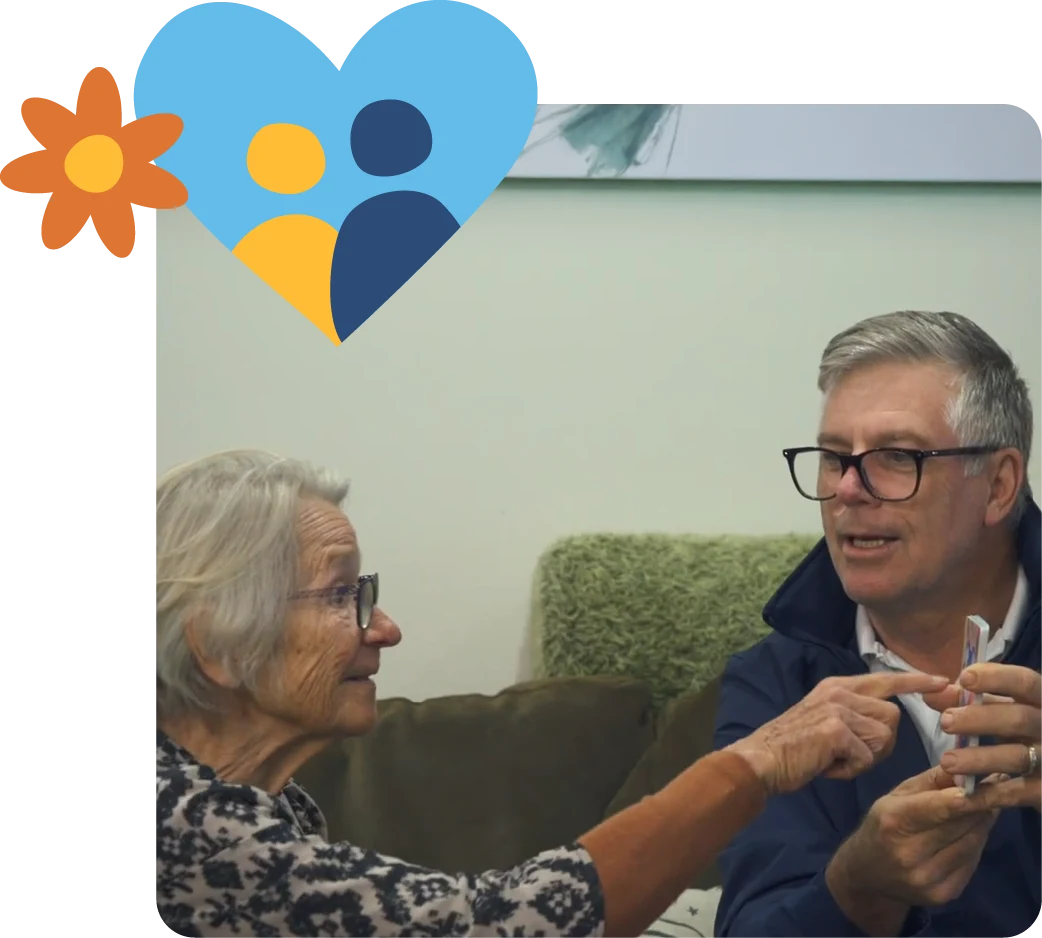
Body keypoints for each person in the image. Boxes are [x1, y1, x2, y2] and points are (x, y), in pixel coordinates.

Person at [152, 450, 973, 938]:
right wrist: (755, 762)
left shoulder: (272, 806)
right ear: (217, 646)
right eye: (342, 597)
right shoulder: (185, 824)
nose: (384, 628)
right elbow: (500, 926)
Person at [712, 310, 1042, 938]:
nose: (848, 490)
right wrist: (856, 888)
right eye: (835, 458)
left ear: (999, 485)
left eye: (896, 456)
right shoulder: (775, 685)